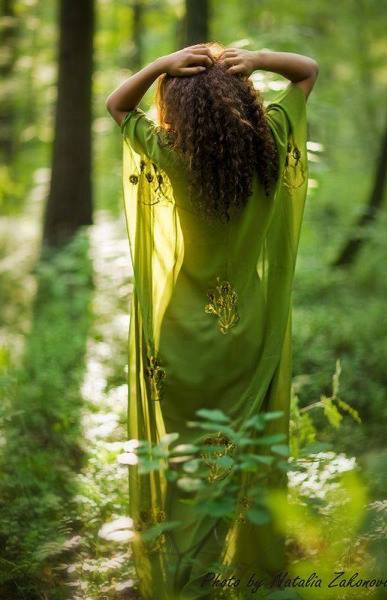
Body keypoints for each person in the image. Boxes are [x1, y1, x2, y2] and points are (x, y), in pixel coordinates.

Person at [106, 42, 318, 600]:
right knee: (243, 453)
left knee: (186, 461)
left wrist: (162, 65)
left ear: (179, 109)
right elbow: (307, 73)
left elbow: (117, 105)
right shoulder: (272, 143)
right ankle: (244, 570)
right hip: (248, 331)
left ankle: (187, 574)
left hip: (181, 336)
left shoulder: (174, 155)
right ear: (244, 100)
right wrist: (261, 58)